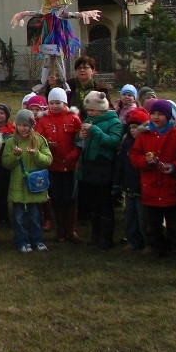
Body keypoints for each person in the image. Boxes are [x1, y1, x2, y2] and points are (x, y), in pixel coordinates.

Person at [129, 100, 176, 259]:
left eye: (160, 114)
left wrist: (174, 166)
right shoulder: (143, 136)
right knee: (153, 223)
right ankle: (156, 247)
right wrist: (145, 161)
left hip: (172, 187)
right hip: (151, 186)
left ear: (168, 116)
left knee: (175, 223)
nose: (156, 117)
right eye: (153, 113)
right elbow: (134, 155)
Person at [75, 91, 123, 249]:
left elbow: (113, 141)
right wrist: (80, 137)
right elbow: (79, 142)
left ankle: (106, 238)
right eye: (88, 110)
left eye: (93, 110)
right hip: (89, 166)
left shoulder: (114, 122)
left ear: (102, 109)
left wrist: (95, 131)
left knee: (104, 203)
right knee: (93, 203)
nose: (90, 113)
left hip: (103, 167)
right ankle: (95, 235)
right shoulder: (89, 120)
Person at [35, 87, 83, 243]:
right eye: (52, 103)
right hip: (52, 165)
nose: (55, 106)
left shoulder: (73, 118)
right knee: (56, 197)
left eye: (58, 103)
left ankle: (71, 229)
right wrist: (47, 145)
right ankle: (61, 229)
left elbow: (80, 141)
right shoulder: (44, 120)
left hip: (70, 165)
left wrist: (72, 156)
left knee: (71, 198)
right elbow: (38, 140)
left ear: (65, 103)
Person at [2, 109, 53, 252]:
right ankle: (21, 241)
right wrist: (15, 155)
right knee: (18, 216)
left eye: (25, 125)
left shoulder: (39, 140)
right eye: (19, 125)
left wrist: (36, 155)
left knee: (35, 215)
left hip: (34, 185)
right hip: (18, 184)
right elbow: (6, 163)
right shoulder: (11, 141)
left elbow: (48, 160)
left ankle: (37, 240)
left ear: (31, 126)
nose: (22, 128)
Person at [113, 107, 149, 252]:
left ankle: (147, 242)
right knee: (130, 216)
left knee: (143, 218)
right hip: (129, 185)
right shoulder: (127, 143)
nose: (133, 130)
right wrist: (117, 182)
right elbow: (121, 163)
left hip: (142, 187)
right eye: (131, 127)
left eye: (136, 127)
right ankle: (132, 240)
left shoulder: (147, 143)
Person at [66, 55, 111, 120]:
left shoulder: (101, 90)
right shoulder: (68, 86)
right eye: (79, 68)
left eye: (85, 68)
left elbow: (108, 109)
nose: (82, 70)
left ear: (93, 70)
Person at [0, 104, 14, 225]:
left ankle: (3, 217)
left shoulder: (11, 130)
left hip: (4, 166)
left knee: (3, 192)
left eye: (2, 113)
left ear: (6, 116)